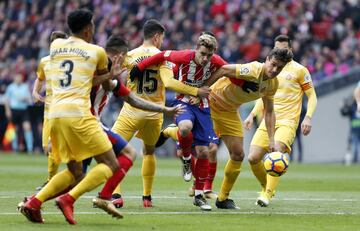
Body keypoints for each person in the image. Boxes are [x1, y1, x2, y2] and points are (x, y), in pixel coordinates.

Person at [18, 9, 122, 224]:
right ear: (87, 29)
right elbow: (104, 84)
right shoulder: (97, 51)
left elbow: (79, 77)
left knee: (75, 171)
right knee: (112, 164)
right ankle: (68, 199)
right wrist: (112, 75)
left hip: (55, 114)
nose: (93, 30)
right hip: (79, 114)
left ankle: (34, 203)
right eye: (92, 26)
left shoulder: (55, 47)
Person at [111, 19, 210, 208]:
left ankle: (116, 195)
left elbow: (113, 72)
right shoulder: (163, 58)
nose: (162, 42)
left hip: (132, 110)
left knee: (114, 151)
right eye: (162, 38)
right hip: (155, 113)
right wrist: (196, 91)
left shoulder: (130, 55)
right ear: (157, 37)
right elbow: (171, 83)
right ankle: (147, 197)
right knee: (149, 152)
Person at [204, 47, 293, 209]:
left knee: (238, 155)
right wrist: (201, 90)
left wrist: (272, 139)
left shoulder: (272, 84)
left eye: (279, 68)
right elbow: (224, 69)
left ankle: (222, 199)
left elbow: (269, 111)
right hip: (210, 102)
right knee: (198, 143)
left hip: (228, 111)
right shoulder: (253, 69)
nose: (274, 70)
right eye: (273, 64)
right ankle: (170, 131)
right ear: (266, 59)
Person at [243, 35, 317, 207]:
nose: (279, 52)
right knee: (253, 158)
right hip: (268, 120)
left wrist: (308, 117)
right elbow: (263, 95)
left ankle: (267, 194)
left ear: (290, 49)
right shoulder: (270, 68)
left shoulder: (300, 70)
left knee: (276, 152)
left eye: (282, 49)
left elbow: (312, 96)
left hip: (288, 121)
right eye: (276, 49)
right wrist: (252, 114)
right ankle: (266, 187)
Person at [33, 31, 68, 191]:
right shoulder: (45, 62)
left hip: (67, 111)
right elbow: (39, 79)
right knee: (48, 148)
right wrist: (35, 92)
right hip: (49, 112)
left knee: (58, 148)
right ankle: (53, 181)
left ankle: (54, 182)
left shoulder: (71, 62)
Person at [4, 73, 33, 153]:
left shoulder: (25, 86)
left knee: (27, 127)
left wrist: (26, 99)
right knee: (14, 129)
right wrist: (7, 110)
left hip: (23, 110)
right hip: (14, 109)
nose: (18, 79)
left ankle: (30, 149)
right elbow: (6, 99)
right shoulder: (11, 87)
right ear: (15, 78)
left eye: (20, 77)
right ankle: (15, 148)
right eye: (17, 77)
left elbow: (29, 99)